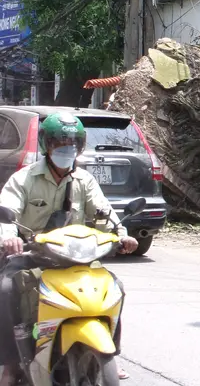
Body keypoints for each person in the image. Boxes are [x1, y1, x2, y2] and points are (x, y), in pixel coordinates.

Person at [0, 112, 138, 386]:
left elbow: (105, 212)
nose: (67, 148)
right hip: (32, 255)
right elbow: (6, 212)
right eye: (60, 142)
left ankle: (110, 352)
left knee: (115, 286)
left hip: (76, 255)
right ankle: (12, 363)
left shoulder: (85, 180)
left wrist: (122, 236)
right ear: (46, 145)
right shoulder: (24, 179)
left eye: (74, 142)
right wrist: (9, 237)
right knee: (5, 289)